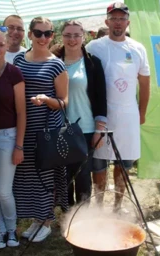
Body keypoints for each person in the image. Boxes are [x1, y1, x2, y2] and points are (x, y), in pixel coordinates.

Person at [86, 2, 150, 211]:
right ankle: (97, 207)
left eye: (122, 19)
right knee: (99, 164)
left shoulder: (137, 48)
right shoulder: (94, 47)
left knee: (123, 163)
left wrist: (142, 112)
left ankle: (118, 205)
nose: (118, 23)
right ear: (107, 21)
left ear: (127, 22)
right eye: (114, 18)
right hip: (101, 116)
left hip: (128, 115)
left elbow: (145, 82)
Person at [13, 16, 69, 242]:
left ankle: (46, 221)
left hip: (47, 130)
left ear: (52, 36)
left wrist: (47, 99)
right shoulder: (18, 59)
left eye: (48, 33)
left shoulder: (57, 64)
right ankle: (36, 219)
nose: (43, 38)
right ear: (30, 34)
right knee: (27, 176)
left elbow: (64, 101)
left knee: (45, 176)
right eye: (38, 33)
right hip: (22, 128)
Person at [51, 20, 107, 206]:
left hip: (85, 129)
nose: (72, 39)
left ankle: (83, 219)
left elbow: (101, 98)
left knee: (83, 177)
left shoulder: (92, 63)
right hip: (59, 129)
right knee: (63, 177)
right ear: (62, 37)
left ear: (83, 37)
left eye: (76, 35)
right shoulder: (53, 62)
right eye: (68, 35)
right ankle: (68, 217)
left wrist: (100, 129)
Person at [0, 26, 26, 249]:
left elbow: (21, 111)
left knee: (3, 190)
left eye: (1, 44)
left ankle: (12, 229)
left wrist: (19, 145)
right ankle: (0, 231)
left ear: (6, 44)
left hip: (8, 137)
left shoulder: (14, 73)